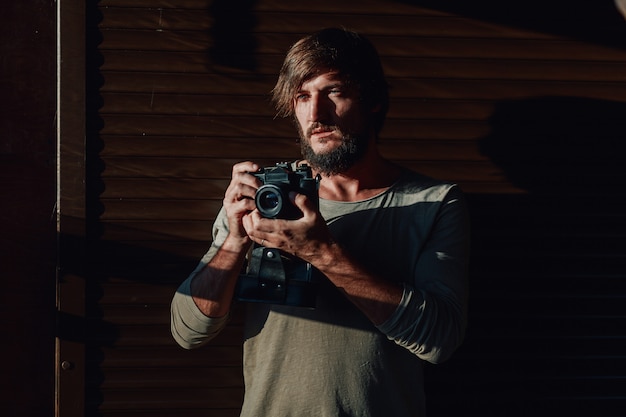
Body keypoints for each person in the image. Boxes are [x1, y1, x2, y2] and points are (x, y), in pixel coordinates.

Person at [171, 27, 470, 417]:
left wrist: (320, 251)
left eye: (334, 92)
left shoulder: (434, 202)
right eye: (302, 96)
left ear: (374, 99)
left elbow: (440, 340)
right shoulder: (265, 198)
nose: (316, 114)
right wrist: (233, 241)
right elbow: (188, 331)